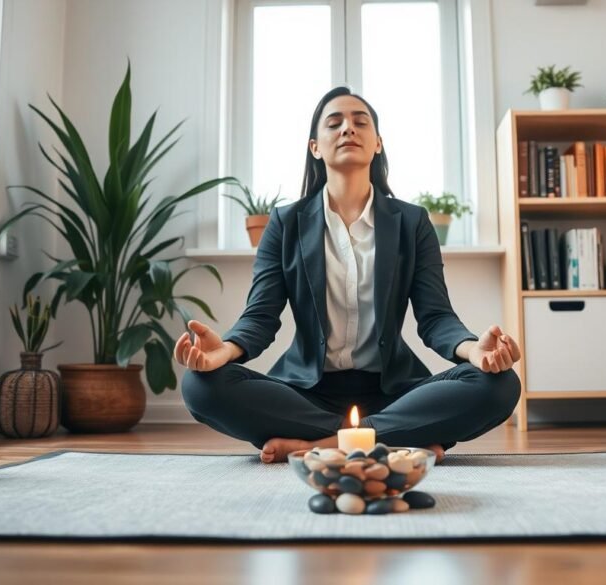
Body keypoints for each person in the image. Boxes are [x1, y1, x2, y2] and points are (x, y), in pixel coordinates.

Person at [176, 86, 521, 464]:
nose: (348, 129)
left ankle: (326, 445)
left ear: (377, 144)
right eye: (334, 122)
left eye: (360, 122)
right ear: (315, 147)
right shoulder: (284, 223)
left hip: (395, 392)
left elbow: (436, 317)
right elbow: (260, 317)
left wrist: (475, 351)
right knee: (200, 386)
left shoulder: (412, 222)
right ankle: (391, 441)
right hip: (307, 394)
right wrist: (222, 352)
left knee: (499, 385)